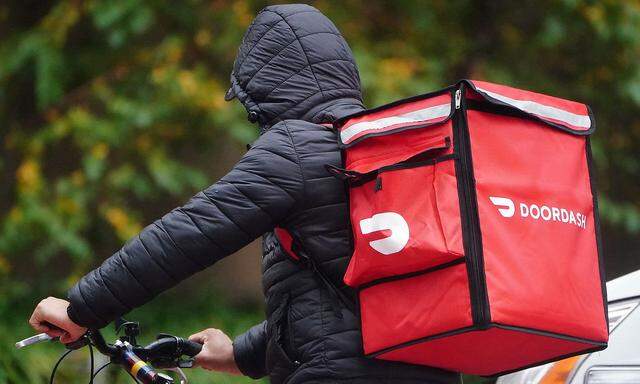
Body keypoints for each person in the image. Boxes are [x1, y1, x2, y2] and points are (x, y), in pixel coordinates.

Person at [29, 4, 459, 384]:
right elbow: (356, 307)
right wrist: (240, 354)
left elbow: (190, 232)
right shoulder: (397, 160)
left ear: (267, 87)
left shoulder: (297, 146)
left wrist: (82, 308)